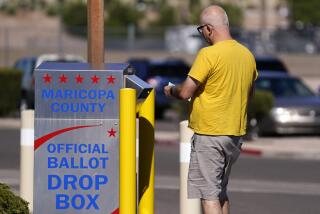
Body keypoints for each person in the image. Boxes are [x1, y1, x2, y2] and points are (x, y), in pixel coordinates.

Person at [164, 5, 258, 214]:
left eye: (201, 30)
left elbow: (186, 91)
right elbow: (249, 94)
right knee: (220, 192)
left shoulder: (208, 54)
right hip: (234, 134)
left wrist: (171, 90)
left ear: (208, 29)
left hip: (210, 134)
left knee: (208, 196)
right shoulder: (247, 55)